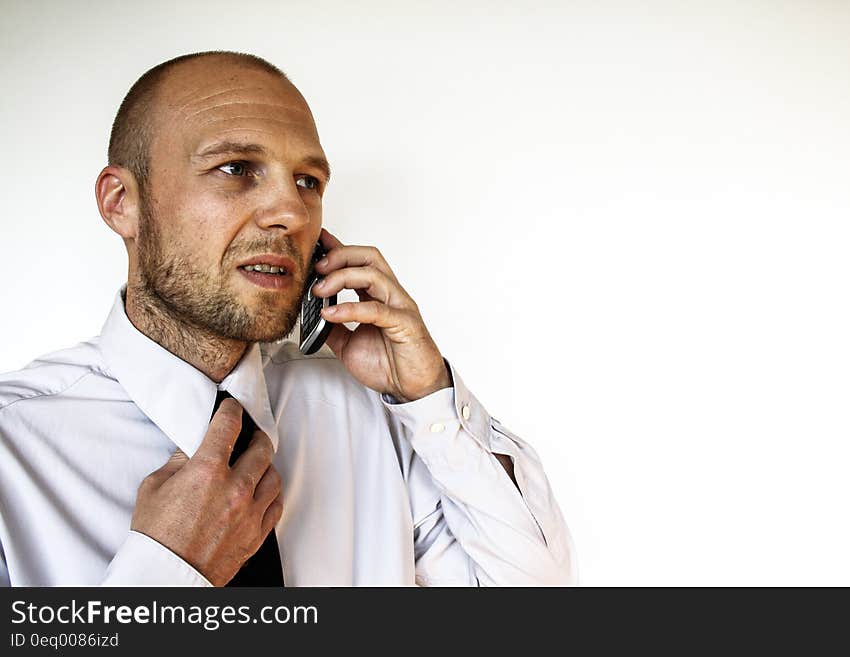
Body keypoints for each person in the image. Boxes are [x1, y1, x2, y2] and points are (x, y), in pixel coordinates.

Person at [0, 51, 576, 586]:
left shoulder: (371, 417)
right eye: (235, 168)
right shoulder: (14, 452)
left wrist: (428, 393)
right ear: (121, 203)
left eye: (308, 182)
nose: (291, 213)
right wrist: (169, 574)